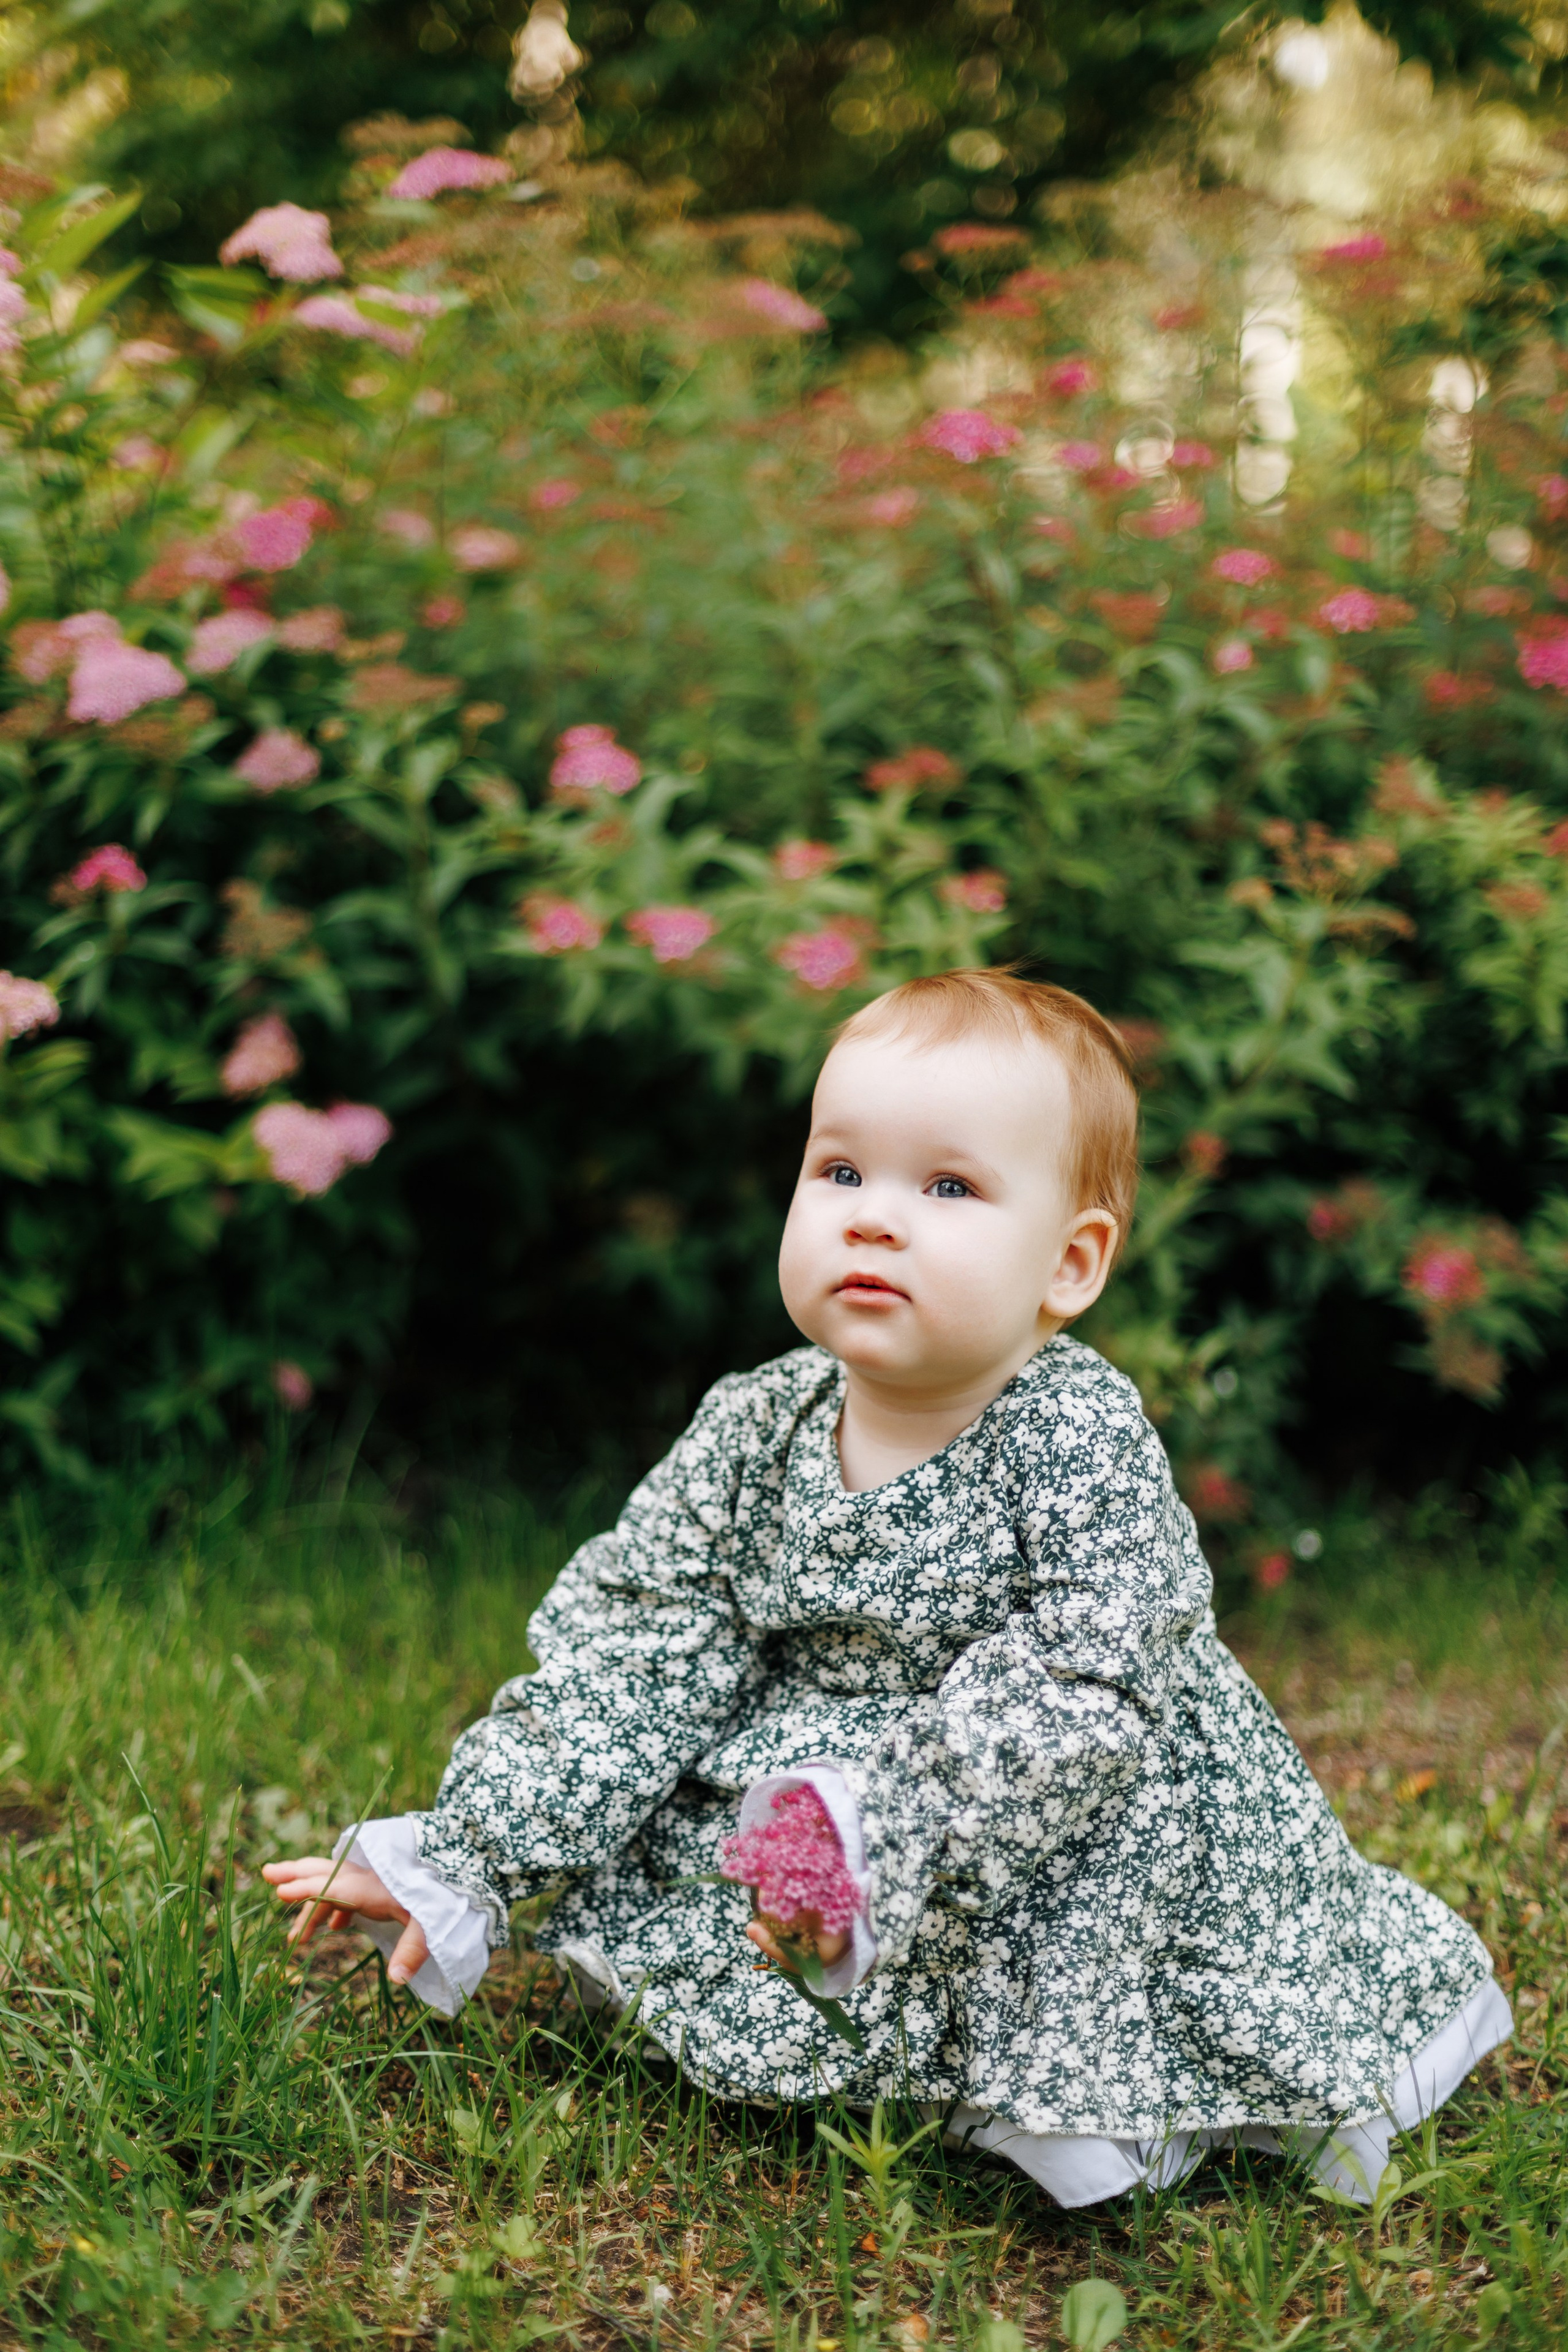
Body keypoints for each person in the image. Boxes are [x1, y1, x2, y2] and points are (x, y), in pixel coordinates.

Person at [265, 969, 1509, 2207]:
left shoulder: (1070, 1430)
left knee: (1082, 1861)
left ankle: (1069, 2089)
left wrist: (877, 1838)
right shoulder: (754, 1427)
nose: (872, 1218)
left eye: (948, 1187)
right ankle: (832, 1981)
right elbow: (642, 1651)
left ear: (1069, 1264)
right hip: (824, 1787)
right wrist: (467, 1852)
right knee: (720, 1817)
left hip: (1038, 1795)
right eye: (841, 1171)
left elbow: (1087, 1676)